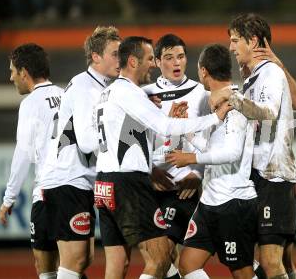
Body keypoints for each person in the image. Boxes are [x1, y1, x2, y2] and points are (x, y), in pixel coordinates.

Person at [93, 36, 232, 279]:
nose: (154, 65)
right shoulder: (135, 93)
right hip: (132, 183)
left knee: (120, 262)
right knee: (160, 258)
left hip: (108, 181)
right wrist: (215, 117)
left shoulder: (110, 93)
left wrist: (196, 172)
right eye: (153, 59)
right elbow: (164, 125)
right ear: (136, 62)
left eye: (180, 56)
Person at [165, 43, 258, 279]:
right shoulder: (217, 103)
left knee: (243, 273)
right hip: (210, 202)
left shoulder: (236, 103)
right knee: (188, 265)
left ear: (204, 71)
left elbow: (232, 152)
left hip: (233, 202)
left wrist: (190, 158)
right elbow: (213, 147)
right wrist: (186, 131)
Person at [39, 26, 121, 279]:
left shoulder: (101, 86)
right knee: (74, 261)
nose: (121, 59)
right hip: (68, 178)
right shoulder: (87, 88)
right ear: (96, 57)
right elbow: (86, 141)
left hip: (78, 179)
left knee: (83, 259)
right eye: (115, 53)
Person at [226, 13, 296, 279]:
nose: (231, 47)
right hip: (263, 174)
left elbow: (268, 112)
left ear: (253, 40)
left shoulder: (269, 72)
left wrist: (234, 100)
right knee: (281, 262)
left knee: (270, 262)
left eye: (235, 41)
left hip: (274, 176)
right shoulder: (256, 76)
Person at [142, 33, 209, 279]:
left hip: (183, 186)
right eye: (169, 58)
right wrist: (149, 170)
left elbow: (211, 138)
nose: (176, 63)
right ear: (157, 61)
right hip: (152, 187)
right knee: (168, 260)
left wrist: (197, 173)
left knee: (164, 252)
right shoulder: (144, 94)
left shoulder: (200, 92)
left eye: (180, 56)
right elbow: (132, 141)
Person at [0, 43, 63, 279]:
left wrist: (9, 198)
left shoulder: (30, 104)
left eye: (13, 71)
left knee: (45, 266)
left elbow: (23, 153)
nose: (11, 77)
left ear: (24, 72)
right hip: (76, 191)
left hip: (47, 191)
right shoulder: (65, 94)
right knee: (72, 264)